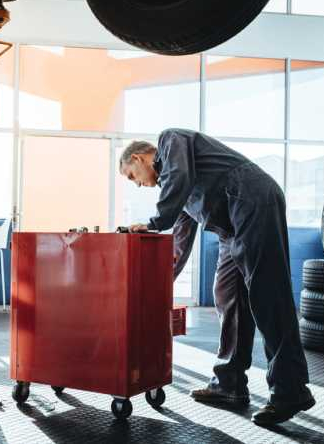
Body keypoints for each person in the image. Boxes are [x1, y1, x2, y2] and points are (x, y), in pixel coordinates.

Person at [119, 128, 314, 426]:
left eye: (133, 176)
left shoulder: (170, 141)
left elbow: (176, 182)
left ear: (138, 157)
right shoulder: (178, 190)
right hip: (229, 227)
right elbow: (180, 244)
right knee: (228, 296)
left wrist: (154, 222)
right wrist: (156, 285)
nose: (139, 185)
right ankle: (229, 384)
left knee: (267, 295)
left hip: (251, 199)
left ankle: (291, 390)